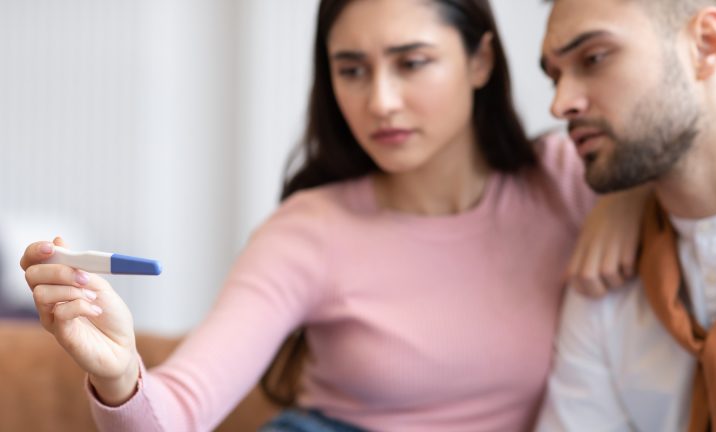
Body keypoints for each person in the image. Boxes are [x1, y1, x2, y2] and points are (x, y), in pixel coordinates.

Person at [20, 0, 644, 431]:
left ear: (481, 60)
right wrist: (120, 374)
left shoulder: (570, 180)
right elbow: (180, 409)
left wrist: (627, 198)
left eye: (412, 62)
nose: (381, 101)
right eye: (352, 70)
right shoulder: (309, 230)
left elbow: (679, 153)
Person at [535, 0, 716, 431]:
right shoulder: (605, 281)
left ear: (705, 44)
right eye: (554, 77)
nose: (560, 104)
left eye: (594, 58)